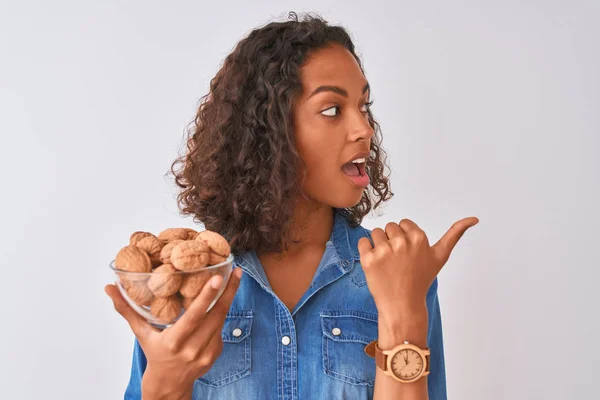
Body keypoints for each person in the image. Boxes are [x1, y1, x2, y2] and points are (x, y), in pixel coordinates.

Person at [104, 12, 478, 400]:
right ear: (269, 130)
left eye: (364, 107)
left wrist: (403, 319)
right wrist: (165, 386)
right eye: (332, 109)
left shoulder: (399, 272)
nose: (364, 129)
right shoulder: (190, 279)